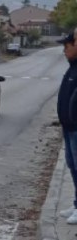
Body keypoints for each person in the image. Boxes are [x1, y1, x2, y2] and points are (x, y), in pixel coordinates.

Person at [57, 28, 77, 224]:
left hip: (75, 128)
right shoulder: (72, 67)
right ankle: (76, 203)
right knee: (72, 166)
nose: (64, 50)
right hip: (69, 128)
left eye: (67, 46)